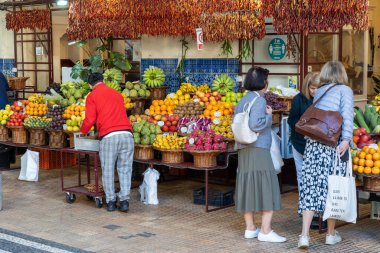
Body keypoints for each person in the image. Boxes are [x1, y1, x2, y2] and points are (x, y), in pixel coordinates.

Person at [297, 61, 354, 249]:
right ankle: (330, 234)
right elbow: (346, 116)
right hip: (333, 144)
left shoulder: (320, 90)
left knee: (312, 186)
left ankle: (304, 236)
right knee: (333, 188)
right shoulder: (344, 90)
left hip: (314, 144)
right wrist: (346, 139)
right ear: (341, 74)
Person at [234, 67, 286, 243]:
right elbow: (256, 124)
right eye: (266, 79)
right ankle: (265, 230)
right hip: (258, 148)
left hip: (244, 148)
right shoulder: (260, 100)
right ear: (264, 83)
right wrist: (269, 117)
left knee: (247, 185)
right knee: (266, 186)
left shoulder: (243, 99)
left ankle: (250, 228)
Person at [81, 72, 134, 212]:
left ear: (89, 85)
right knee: (125, 169)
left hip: (110, 136)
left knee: (108, 169)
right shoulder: (117, 93)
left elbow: (90, 120)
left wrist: (83, 130)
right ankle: (124, 201)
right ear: (103, 80)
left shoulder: (92, 96)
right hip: (127, 135)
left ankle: (110, 202)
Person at [288, 72, 320, 190]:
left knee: (316, 174)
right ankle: (303, 202)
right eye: (312, 88)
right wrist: (305, 127)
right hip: (299, 141)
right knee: (301, 173)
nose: (315, 91)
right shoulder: (298, 99)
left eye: (318, 88)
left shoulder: (324, 99)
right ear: (306, 86)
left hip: (317, 144)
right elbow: (291, 121)